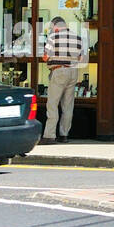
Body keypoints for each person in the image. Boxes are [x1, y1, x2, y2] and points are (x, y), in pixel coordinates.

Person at [40, 16, 87, 145]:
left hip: (59, 71)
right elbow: (81, 58)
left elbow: (45, 57)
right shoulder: (77, 38)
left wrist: (48, 56)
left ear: (55, 26)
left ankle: (49, 135)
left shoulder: (53, 37)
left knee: (52, 104)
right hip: (73, 71)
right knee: (68, 105)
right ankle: (64, 134)